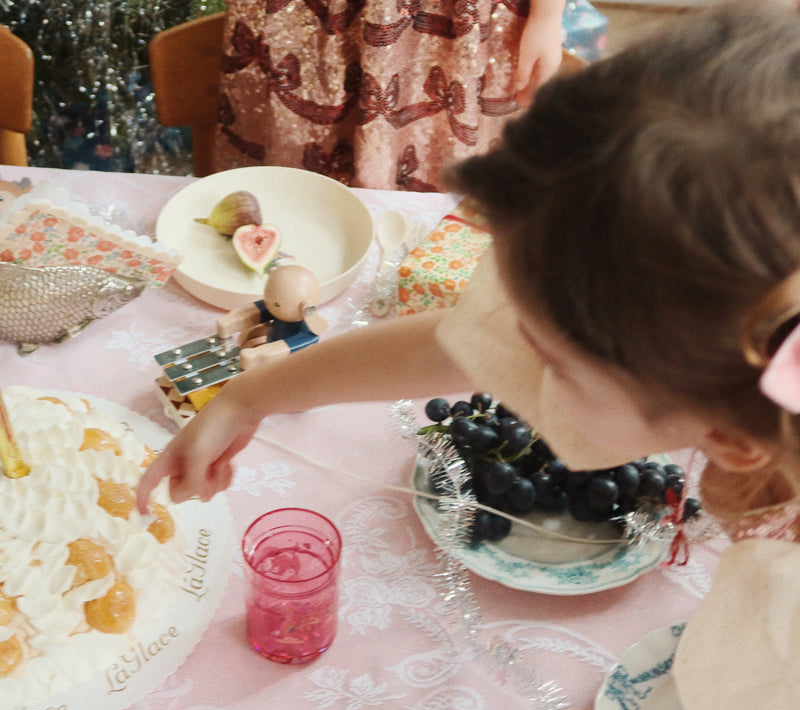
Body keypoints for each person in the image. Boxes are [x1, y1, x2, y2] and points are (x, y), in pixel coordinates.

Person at [138, 0, 800, 539]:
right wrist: (248, 397)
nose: (506, 350)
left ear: (732, 440)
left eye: (553, 363)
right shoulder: (707, 367)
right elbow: (455, 345)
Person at [211, 0, 567, 190]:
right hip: (306, 19)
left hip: (454, 28)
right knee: (292, 199)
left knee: (437, 218)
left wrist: (548, 14)